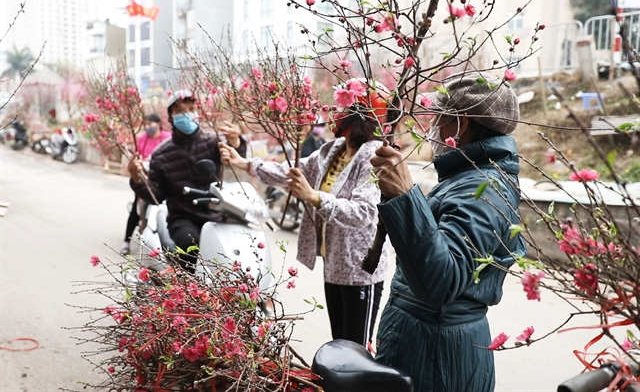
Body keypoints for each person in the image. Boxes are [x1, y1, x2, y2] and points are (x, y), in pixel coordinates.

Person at [370, 71, 527, 392]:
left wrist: (405, 197)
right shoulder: (469, 177)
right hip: (427, 346)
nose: (431, 128)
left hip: (437, 356)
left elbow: (442, 280)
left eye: (438, 118)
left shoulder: (484, 188)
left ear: (460, 124)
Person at [219, 82, 390, 348]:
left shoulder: (372, 156)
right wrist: (245, 163)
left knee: (357, 349)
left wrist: (314, 196)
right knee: (340, 346)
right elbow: (292, 171)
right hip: (334, 266)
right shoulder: (332, 151)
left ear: (360, 117)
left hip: (360, 270)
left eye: (344, 109)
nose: (337, 114)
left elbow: (365, 212)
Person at [127, 90, 247, 270]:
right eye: (181, 111)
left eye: (192, 109)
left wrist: (236, 143)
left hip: (216, 213)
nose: (188, 114)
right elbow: (156, 196)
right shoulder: (161, 155)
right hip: (183, 218)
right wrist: (136, 178)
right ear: (170, 116)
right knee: (192, 248)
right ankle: (189, 293)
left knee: (234, 253)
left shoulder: (213, 142)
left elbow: (236, 159)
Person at [121, 113, 171, 255]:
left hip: (164, 181)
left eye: (151, 124)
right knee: (136, 211)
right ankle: (126, 241)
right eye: (146, 125)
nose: (148, 127)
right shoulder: (142, 140)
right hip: (146, 181)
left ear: (159, 124)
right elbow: (136, 158)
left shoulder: (167, 138)